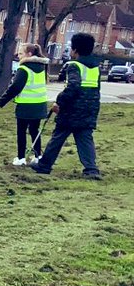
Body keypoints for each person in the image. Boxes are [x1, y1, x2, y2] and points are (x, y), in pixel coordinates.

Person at [30, 32, 103, 179]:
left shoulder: (73, 65)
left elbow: (73, 87)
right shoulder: (96, 68)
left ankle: (44, 165)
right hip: (90, 109)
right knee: (85, 139)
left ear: (75, 50)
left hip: (71, 110)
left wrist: (59, 102)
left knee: (57, 138)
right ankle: (91, 169)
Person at [0, 43, 50, 166]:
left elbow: (15, 87)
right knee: (34, 131)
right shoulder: (42, 67)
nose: (18, 55)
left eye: (20, 53)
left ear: (29, 54)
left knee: (21, 132)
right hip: (39, 104)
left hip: (25, 106)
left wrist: (2, 101)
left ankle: (21, 158)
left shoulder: (24, 69)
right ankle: (37, 156)